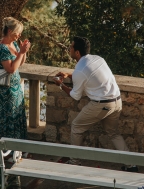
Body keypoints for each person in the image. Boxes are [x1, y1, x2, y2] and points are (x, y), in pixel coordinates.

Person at [54, 36, 137, 171]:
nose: (69, 48)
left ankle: (74, 161)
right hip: (116, 101)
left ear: (77, 52)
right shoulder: (98, 59)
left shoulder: (80, 70)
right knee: (113, 133)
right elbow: (87, 74)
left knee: (76, 126)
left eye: (71, 47)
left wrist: (60, 84)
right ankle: (131, 165)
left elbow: (75, 96)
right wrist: (69, 75)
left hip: (102, 105)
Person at [0, 17, 31, 154]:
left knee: (16, 117)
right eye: (17, 32)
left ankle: (17, 149)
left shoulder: (14, 44)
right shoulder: (2, 48)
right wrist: (21, 53)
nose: (19, 35)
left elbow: (21, 62)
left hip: (15, 88)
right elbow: (11, 69)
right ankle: (4, 150)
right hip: (5, 91)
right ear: (9, 30)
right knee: (6, 119)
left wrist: (23, 52)